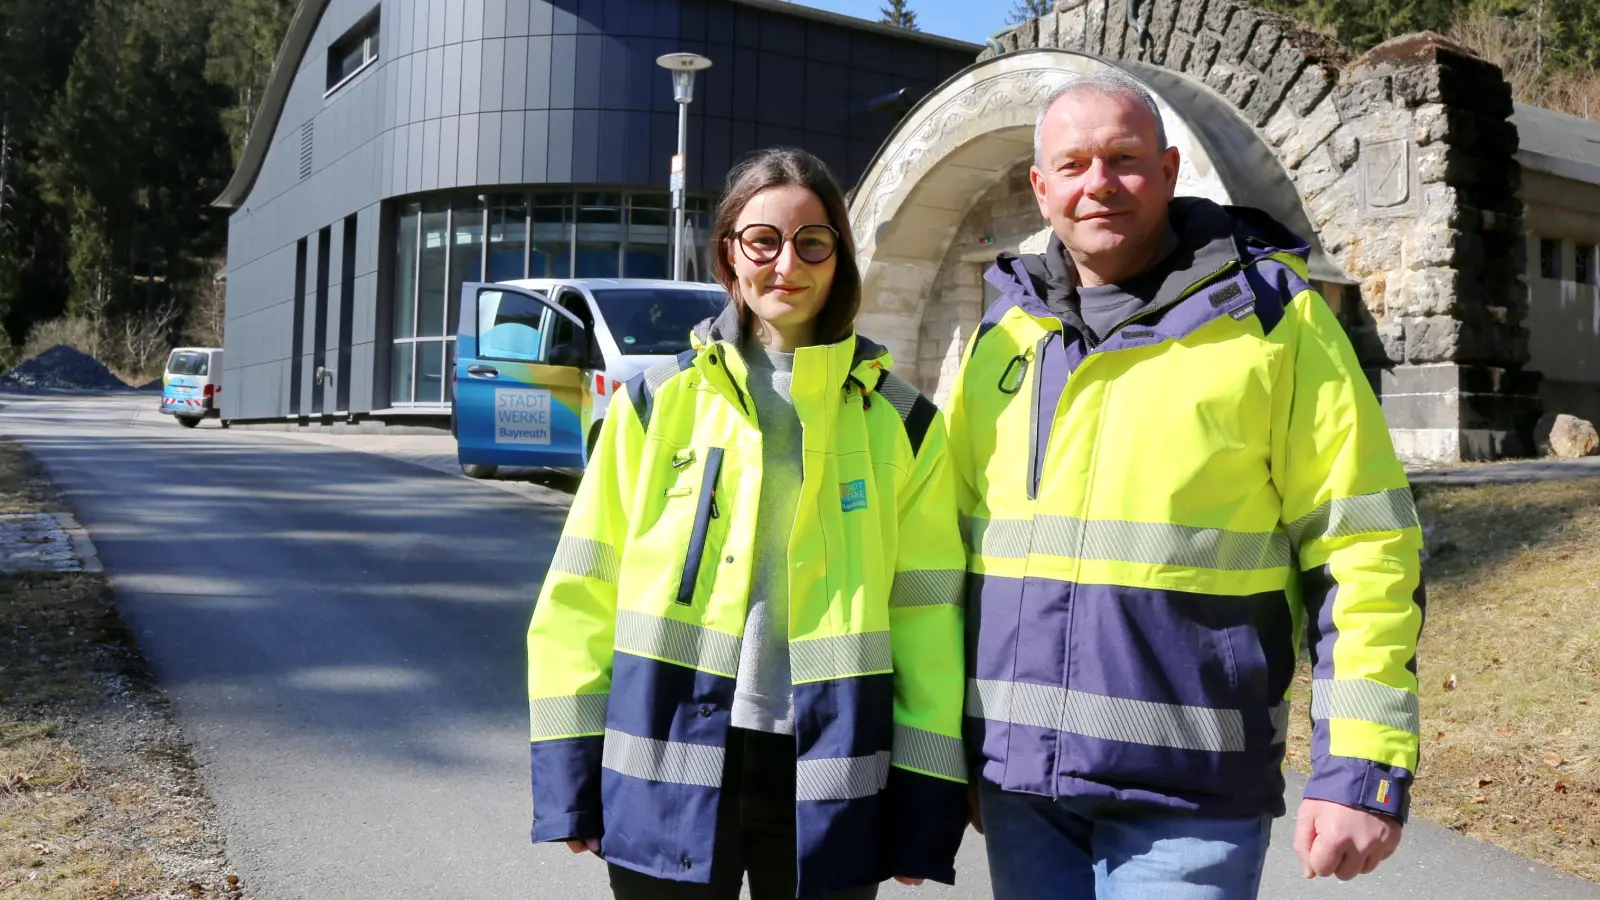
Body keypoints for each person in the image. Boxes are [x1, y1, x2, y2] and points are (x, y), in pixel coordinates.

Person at [947, 70, 1426, 899]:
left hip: (1190, 795)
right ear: (1040, 187)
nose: (1099, 182)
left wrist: (1361, 767)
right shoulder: (1006, 331)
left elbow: (1363, 545)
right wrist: (941, 756)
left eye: (1124, 159)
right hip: (1021, 794)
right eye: (1073, 164)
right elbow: (944, 557)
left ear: (1169, 172)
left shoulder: (1273, 320)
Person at [526, 147, 969, 900]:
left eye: (812, 242)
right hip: (666, 752)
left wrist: (925, 802)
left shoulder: (906, 425)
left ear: (839, 256)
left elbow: (928, 623)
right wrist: (568, 769)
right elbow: (582, 593)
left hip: (831, 767)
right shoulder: (654, 404)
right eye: (763, 241)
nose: (786, 264)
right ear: (730, 253)